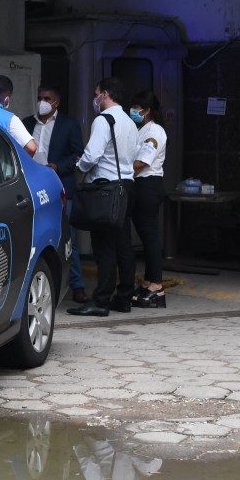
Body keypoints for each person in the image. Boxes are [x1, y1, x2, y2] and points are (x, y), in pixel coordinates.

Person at [66, 77, 138, 317]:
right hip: (126, 185)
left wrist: (80, 164)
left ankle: (100, 301)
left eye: (96, 93)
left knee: (104, 247)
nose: (94, 99)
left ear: (105, 94)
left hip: (106, 188)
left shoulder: (103, 119)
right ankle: (125, 297)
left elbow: (92, 155)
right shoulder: (129, 121)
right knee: (123, 244)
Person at [22, 84, 88, 303]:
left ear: (56, 103)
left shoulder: (68, 125)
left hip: (60, 188)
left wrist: (57, 166)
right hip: (31, 189)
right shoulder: (26, 123)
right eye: (39, 97)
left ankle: (77, 285)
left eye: (46, 98)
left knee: (68, 237)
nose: (41, 101)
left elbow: (77, 154)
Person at [128, 90, 168, 308]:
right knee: (145, 235)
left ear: (147, 110)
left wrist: (121, 170)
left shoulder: (155, 131)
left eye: (136, 107)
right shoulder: (141, 129)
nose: (133, 111)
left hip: (148, 185)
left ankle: (156, 286)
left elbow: (143, 161)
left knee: (150, 236)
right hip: (140, 185)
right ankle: (148, 280)